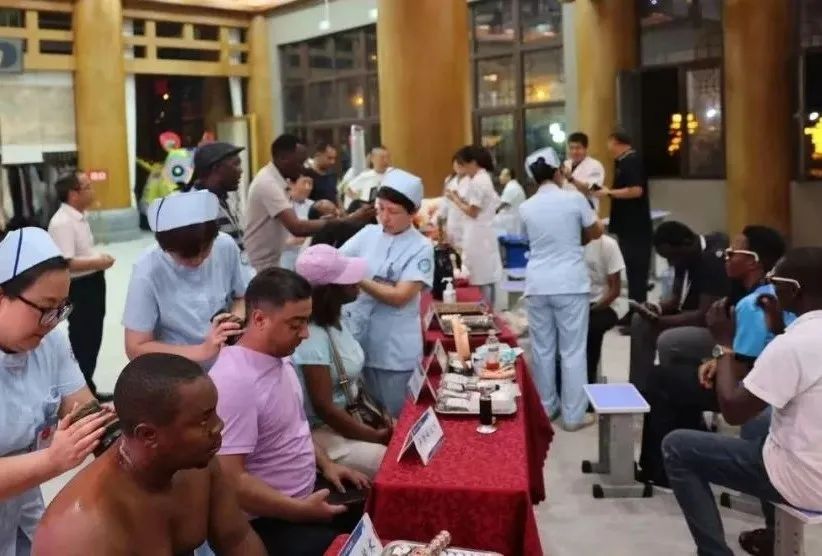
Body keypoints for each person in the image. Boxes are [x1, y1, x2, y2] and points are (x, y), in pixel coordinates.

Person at [662, 247, 822, 556]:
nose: (769, 290)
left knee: (677, 447)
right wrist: (779, 329)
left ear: (794, 290)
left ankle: (714, 553)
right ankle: (774, 535)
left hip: (807, 482)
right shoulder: (797, 337)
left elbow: (733, 410)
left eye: (774, 282)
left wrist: (724, 345)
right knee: (760, 424)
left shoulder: (793, 345)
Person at [32, 353, 266, 556]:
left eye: (214, 412)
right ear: (148, 435)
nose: (219, 425)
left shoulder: (198, 466)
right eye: (203, 420)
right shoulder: (81, 530)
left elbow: (237, 540)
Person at [210, 268, 369, 556]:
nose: (305, 334)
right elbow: (232, 480)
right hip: (268, 518)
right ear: (259, 319)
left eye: (306, 321)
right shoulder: (235, 382)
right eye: (295, 324)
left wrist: (327, 465)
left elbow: (295, 428)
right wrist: (299, 511)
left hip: (305, 492)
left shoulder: (279, 357)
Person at [638, 225, 788, 491]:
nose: (725, 257)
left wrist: (719, 355)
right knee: (680, 373)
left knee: (662, 379)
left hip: (750, 393)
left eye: (732, 253)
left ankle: (661, 469)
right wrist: (716, 360)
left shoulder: (754, 304)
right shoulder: (770, 293)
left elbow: (742, 366)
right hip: (763, 381)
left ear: (753, 261)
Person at [0, 227, 112, 555]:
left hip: (23, 511)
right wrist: (52, 460)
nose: (53, 322)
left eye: (61, 309)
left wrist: (116, 428)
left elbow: (82, 408)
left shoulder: (51, 343)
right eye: (45, 307)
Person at [519, 148, 604, 431]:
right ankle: (573, 415)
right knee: (572, 351)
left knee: (542, 349)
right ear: (559, 172)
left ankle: (546, 409)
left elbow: (526, 239)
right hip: (569, 283)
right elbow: (596, 231)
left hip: (537, 284)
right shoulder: (574, 198)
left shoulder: (526, 206)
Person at [340, 169, 435, 416]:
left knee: (396, 418)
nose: (384, 217)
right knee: (365, 415)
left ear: (413, 212)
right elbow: (338, 260)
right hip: (357, 342)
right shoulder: (368, 234)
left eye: (392, 211)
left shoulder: (421, 247)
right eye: (380, 208)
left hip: (394, 351)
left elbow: (400, 297)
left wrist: (357, 277)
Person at [122, 190, 248, 369]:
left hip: (226, 361)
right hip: (177, 370)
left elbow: (241, 296)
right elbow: (136, 346)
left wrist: (234, 321)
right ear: (165, 247)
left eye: (205, 251)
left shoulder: (225, 246)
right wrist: (202, 351)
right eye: (185, 257)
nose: (197, 261)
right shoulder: (148, 269)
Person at [293, 245, 390, 478]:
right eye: (348, 279)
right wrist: (373, 436)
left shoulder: (335, 321)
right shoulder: (313, 338)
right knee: (390, 462)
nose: (357, 282)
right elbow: (324, 408)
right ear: (330, 291)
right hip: (325, 431)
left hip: (351, 415)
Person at [243, 135, 373, 273]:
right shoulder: (268, 183)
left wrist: (329, 222)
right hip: (258, 266)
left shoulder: (278, 181)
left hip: (271, 262)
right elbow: (297, 228)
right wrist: (347, 221)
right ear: (283, 158)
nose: (303, 169)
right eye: (299, 163)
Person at [629, 221, 729, 393]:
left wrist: (661, 322)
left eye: (672, 257)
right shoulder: (684, 256)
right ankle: (640, 390)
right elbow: (675, 300)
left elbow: (703, 316)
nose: (671, 263)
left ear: (686, 243)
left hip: (715, 329)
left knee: (668, 340)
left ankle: (670, 394)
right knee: (639, 321)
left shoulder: (712, 261)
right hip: (691, 316)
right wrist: (655, 308)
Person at [48, 172, 115, 400]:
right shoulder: (62, 222)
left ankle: (88, 387)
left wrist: (97, 261)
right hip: (79, 286)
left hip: (92, 281)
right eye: (87, 187)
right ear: (73, 194)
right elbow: (65, 262)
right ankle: (79, 394)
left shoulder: (78, 217)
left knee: (93, 336)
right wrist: (99, 262)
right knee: (83, 338)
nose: (92, 191)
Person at [596, 131, 652, 308]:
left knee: (637, 273)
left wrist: (609, 192)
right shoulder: (622, 162)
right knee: (632, 271)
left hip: (635, 226)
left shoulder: (631, 161)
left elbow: (636, 190)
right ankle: (633, 309)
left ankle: (639, 311)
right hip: (627, 227)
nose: (608, 148)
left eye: (609, 143)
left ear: (616, 142)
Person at [447, 145, 503, 306]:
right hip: (479, 232)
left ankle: (486, 309)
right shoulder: (480, 178)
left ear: (473, 163)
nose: (463, 168)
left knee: (481, 276)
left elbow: (473, 212)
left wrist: (455, 199)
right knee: (481, 274)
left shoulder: (479, 181)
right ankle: (485, 307)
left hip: (479, 234)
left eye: (463, 164)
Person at [584, 233, 627, 384]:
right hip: (578, 302)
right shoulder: (567, 242)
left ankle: (589, 380)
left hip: (606, 303)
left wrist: (591, 310)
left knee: (591, 328)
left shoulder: (607, 245)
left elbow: (614, 291)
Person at [188, 141, 246, 251]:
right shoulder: (200, 208)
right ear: (216, 168)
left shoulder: (219, 198)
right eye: (236, 164)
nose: (241, 170)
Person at [561, 132, 606, 212]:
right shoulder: (566, 164)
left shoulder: (595, 165)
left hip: (586, 210)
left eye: (578, 148)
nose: (574, 152)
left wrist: (571, 179)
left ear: (585, 148)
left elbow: (592, 190)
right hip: (567, 209)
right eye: (571, 148)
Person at [280, 176, 314, 271]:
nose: (308, 188)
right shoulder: (280, 206)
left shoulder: (313, 206)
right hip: (284, 257)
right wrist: (289, 242)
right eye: (304, 183)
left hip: (306, 259)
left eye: (310, 184)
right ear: (291, 184)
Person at [439, 157, 469, 249]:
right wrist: (440, 219)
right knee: (453, 251)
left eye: (462, 163)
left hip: (466, 220)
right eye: (457, 163)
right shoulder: (449, 179)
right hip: (452, 220)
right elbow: (445, 202)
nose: (459, 165)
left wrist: (456, 198)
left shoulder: (472, 180)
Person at [494, 167, 526, 237]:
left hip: (513, 222)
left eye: (502, 175)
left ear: (509, 177)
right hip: (514, 220)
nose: (500, 177)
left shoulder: (511, 188)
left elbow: (499, 206)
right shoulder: (514, 186)